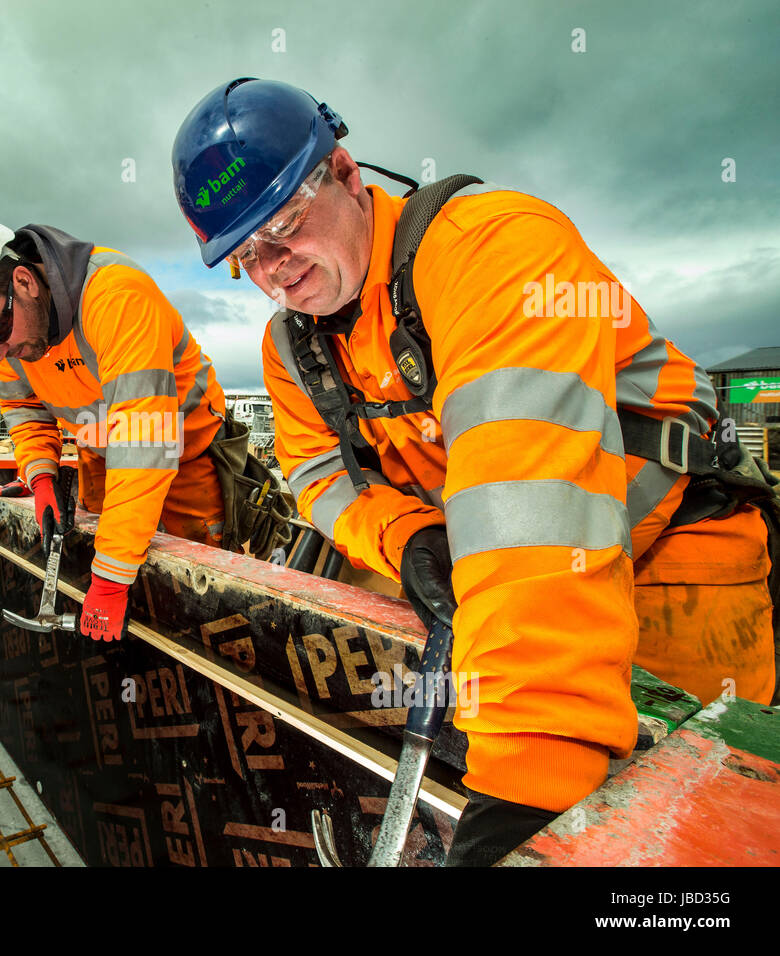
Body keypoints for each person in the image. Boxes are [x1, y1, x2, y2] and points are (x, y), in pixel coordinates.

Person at [172, 78, 777, 865]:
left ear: (348, 174)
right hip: (501, 600)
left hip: (677, 576)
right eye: (244, 254)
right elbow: (317, 472)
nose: (274, 269)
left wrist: (526, 781)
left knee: (688, 839)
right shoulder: (292, 348)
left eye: (284, 225)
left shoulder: (494, 250)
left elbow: (534, 511)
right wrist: (409, 535)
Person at [0, 209, 231, 643]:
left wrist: (110, 580)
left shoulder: (115, 295)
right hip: (104, 451)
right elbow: (24, 406)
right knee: (103, 559)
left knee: (197, 592)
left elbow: (145, 443)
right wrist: (41, 475)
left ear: (24, 282)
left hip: (186, 451)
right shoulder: (8, 337)